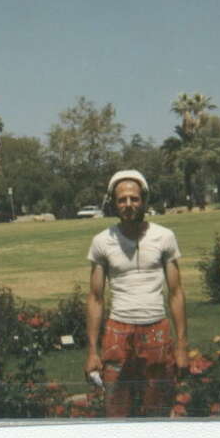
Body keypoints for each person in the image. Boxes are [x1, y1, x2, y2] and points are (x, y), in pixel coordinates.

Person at [84, 169, 188, 417]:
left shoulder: (164, 237)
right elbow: (95, 298)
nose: (128, 205)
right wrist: (92, 352)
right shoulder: (102, 241)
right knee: (116, 409)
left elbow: (176, 293)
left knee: (158, 408)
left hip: (156, 330)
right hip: (117, 332)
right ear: (113, 203)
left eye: (134, 198)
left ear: (144, 200)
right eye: (122, 199)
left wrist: (182, 347)